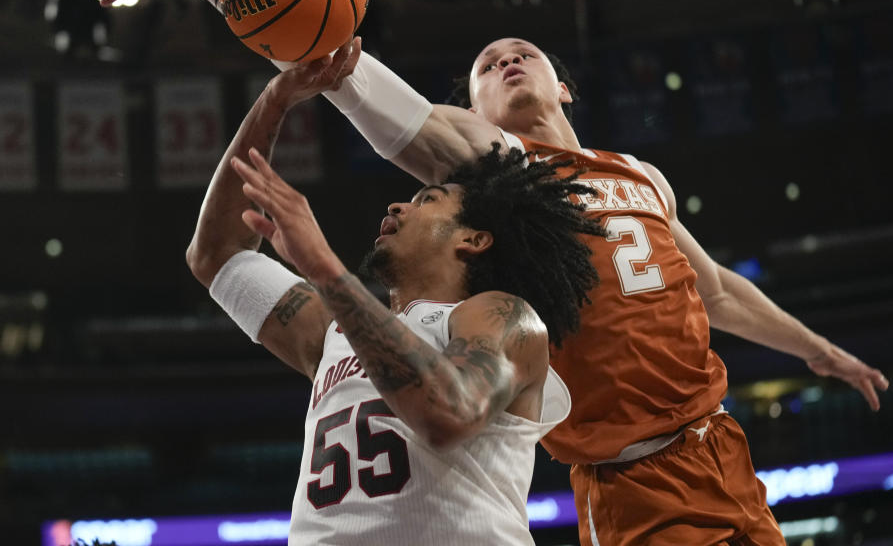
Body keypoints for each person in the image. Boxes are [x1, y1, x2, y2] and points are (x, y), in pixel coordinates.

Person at [94, 0, 890, 544]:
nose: (506, 58)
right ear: (469, 115)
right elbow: (358, 83)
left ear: (565, 86)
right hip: (631, 474)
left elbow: (715, 290)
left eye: (523, 52)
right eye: (485, 63)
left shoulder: (639, 175)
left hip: (720, 443)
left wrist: (814, 348)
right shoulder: (501, 167)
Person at [184, 57, 606, 545]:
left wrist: (325, 268)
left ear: (473, 239)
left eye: (428, 199)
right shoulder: (336, 331)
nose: (398, 205)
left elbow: (450, 414)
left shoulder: (505, 319)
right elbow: (218, 256)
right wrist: (274, 99)